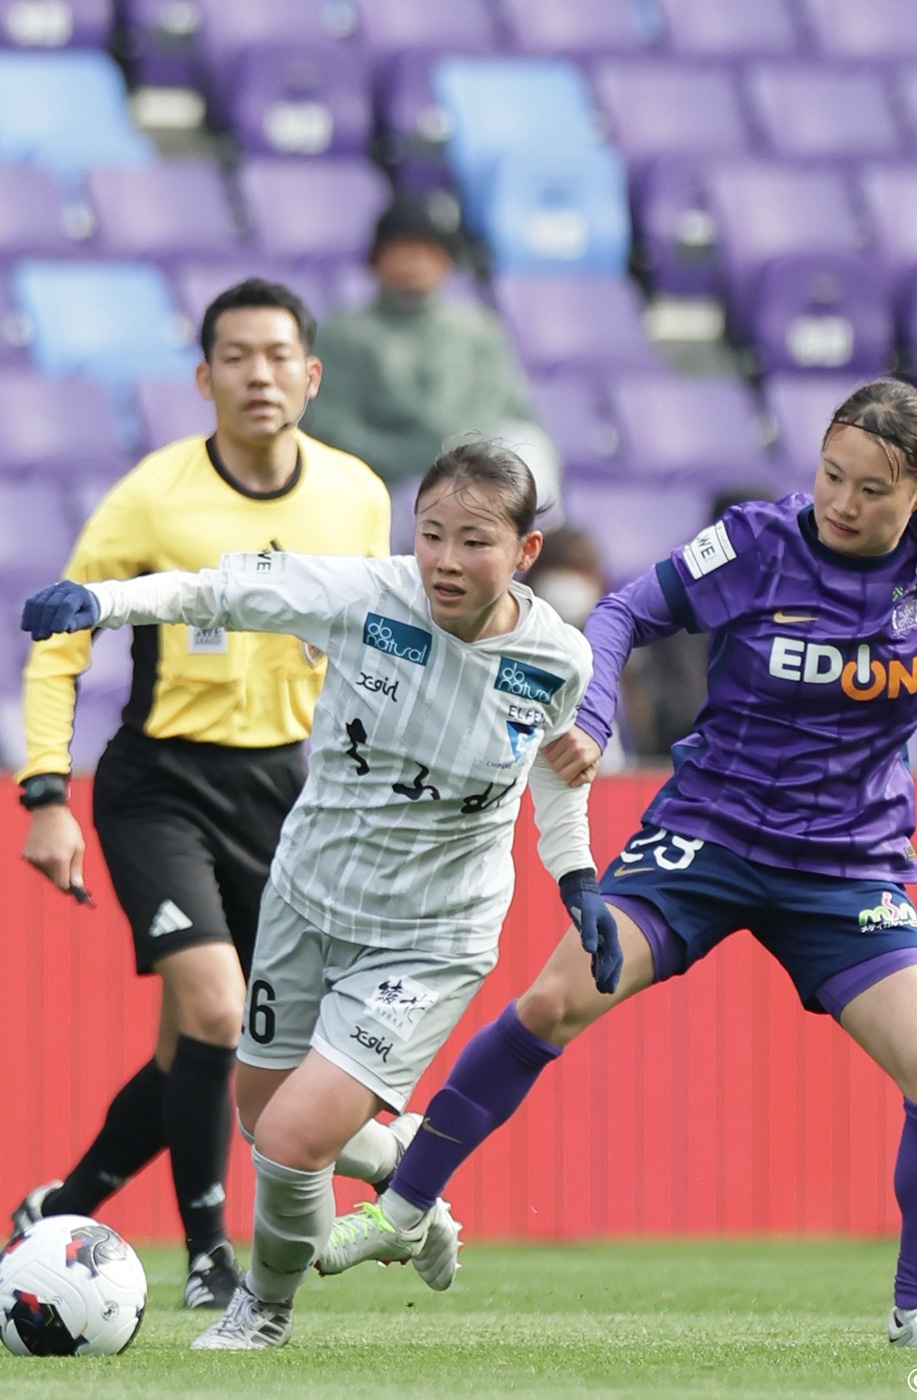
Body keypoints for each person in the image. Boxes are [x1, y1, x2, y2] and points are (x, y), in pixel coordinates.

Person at [319, 376, 917, 1350]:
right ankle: (405, 1206)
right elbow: (623, 610)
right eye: (831, 473)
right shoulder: (755, 543)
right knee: (551, 1002)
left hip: (845, 866)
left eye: (871, 488)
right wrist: (593, 715)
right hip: (707, 838)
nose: (840, 501)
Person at [21, 440, 613, 1352]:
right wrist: (105, 603)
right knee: (261, 1113)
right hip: (306, 899)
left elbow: (557, 771)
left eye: (476, 541)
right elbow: (219, 592)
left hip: (432, 934)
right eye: (432, 534)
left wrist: (576, 876)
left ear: (525, 551)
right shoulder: (365, 596)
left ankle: (261, 1310)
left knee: (292, 1140)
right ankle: (406, 1173)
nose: (447, 560)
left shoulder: (557, 657)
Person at [10, 278, 392, 1310]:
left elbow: (378, 641)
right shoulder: (152, 495)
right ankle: (209, 1257)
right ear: (202, 377)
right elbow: (61, 639)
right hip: (160, 782)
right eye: (236, 356)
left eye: (278, 355)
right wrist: (45, 792)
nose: (258, 375)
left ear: (311, 375)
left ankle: (58, 1212)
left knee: (206, 1044)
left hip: (284, 791)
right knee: (221, 1009)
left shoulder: (356, 495)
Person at [303, 191, 560, 518]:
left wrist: (459, 459)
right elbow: (330, 430)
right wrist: (419, 459)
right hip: (390, 487)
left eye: (429, 251)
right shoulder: (343, 335)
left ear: (448, 261)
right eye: (404, 249)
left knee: (528, 443)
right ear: (377, 258)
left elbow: (512, 412)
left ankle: (539, 548)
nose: (417, 261)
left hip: (476, 476)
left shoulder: (479, 331)